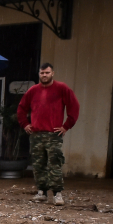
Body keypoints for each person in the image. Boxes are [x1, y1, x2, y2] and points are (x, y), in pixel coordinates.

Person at [17, 62, 79, 206]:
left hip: (53, 134)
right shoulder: (33, 90)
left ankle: (57, 193)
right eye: (42, 73)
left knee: (55, 163)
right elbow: (21, 108)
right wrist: (25, 124)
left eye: (47, 73)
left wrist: (66, 126)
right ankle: (41, 192)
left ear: (53, 73)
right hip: (36, 134)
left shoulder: (62, 88)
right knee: (38, 165)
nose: (44, 75)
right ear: (39, 74)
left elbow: (74, 107)